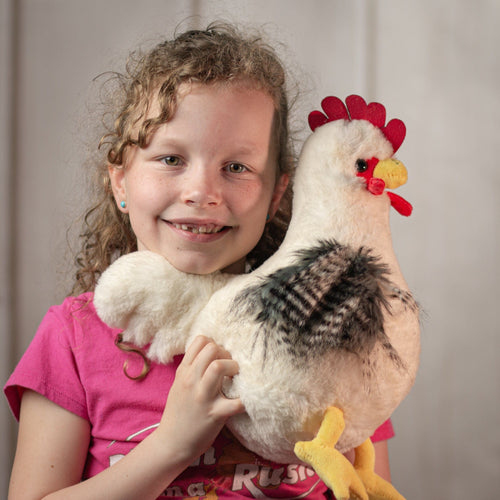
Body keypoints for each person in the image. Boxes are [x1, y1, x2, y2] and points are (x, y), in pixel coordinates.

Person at [4, 23, 395, 499]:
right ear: (121, 182)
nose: (202, 193)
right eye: (171, 159)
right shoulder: (72, 338)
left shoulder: (334, 324)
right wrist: (171, 446)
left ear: (276, 196)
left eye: (236, 167)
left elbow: (369, 489)